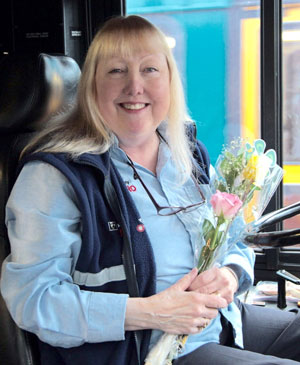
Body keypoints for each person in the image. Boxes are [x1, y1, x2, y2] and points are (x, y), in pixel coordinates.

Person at [1, 15, 300, 365]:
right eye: (116, 71)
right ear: (92, 86)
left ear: (170, 81)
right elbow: (35, 300)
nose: (135, 87)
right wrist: (152, 312)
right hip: (145, 351)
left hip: (219, 321)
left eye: (150, 70)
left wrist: (231, 275)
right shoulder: (56, 176)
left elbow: (232, 239)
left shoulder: (187, 155)